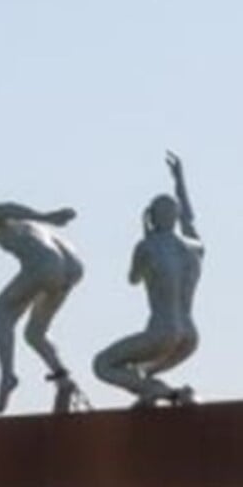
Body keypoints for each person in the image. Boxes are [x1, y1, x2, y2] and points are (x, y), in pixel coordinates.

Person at [93, 152, 202, 407]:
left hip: (162, 331)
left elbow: (133, 278)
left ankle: (158, 391)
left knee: (102, 364)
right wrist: (180, 183)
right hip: (189, 335)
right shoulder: (194, 247)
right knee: (140, 372)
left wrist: (146, 237)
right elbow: (190, 221)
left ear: (152, 217)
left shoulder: (147, 246)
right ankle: (158, 393)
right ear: (174, 217)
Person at [0, 200, 85, 413]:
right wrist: (47, 220)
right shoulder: (32, 229)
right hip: (71, 270)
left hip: (45, 266)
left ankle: (8, 375)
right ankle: (62, 377)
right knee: (35, 334)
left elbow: (8, 208)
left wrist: (47, 215)